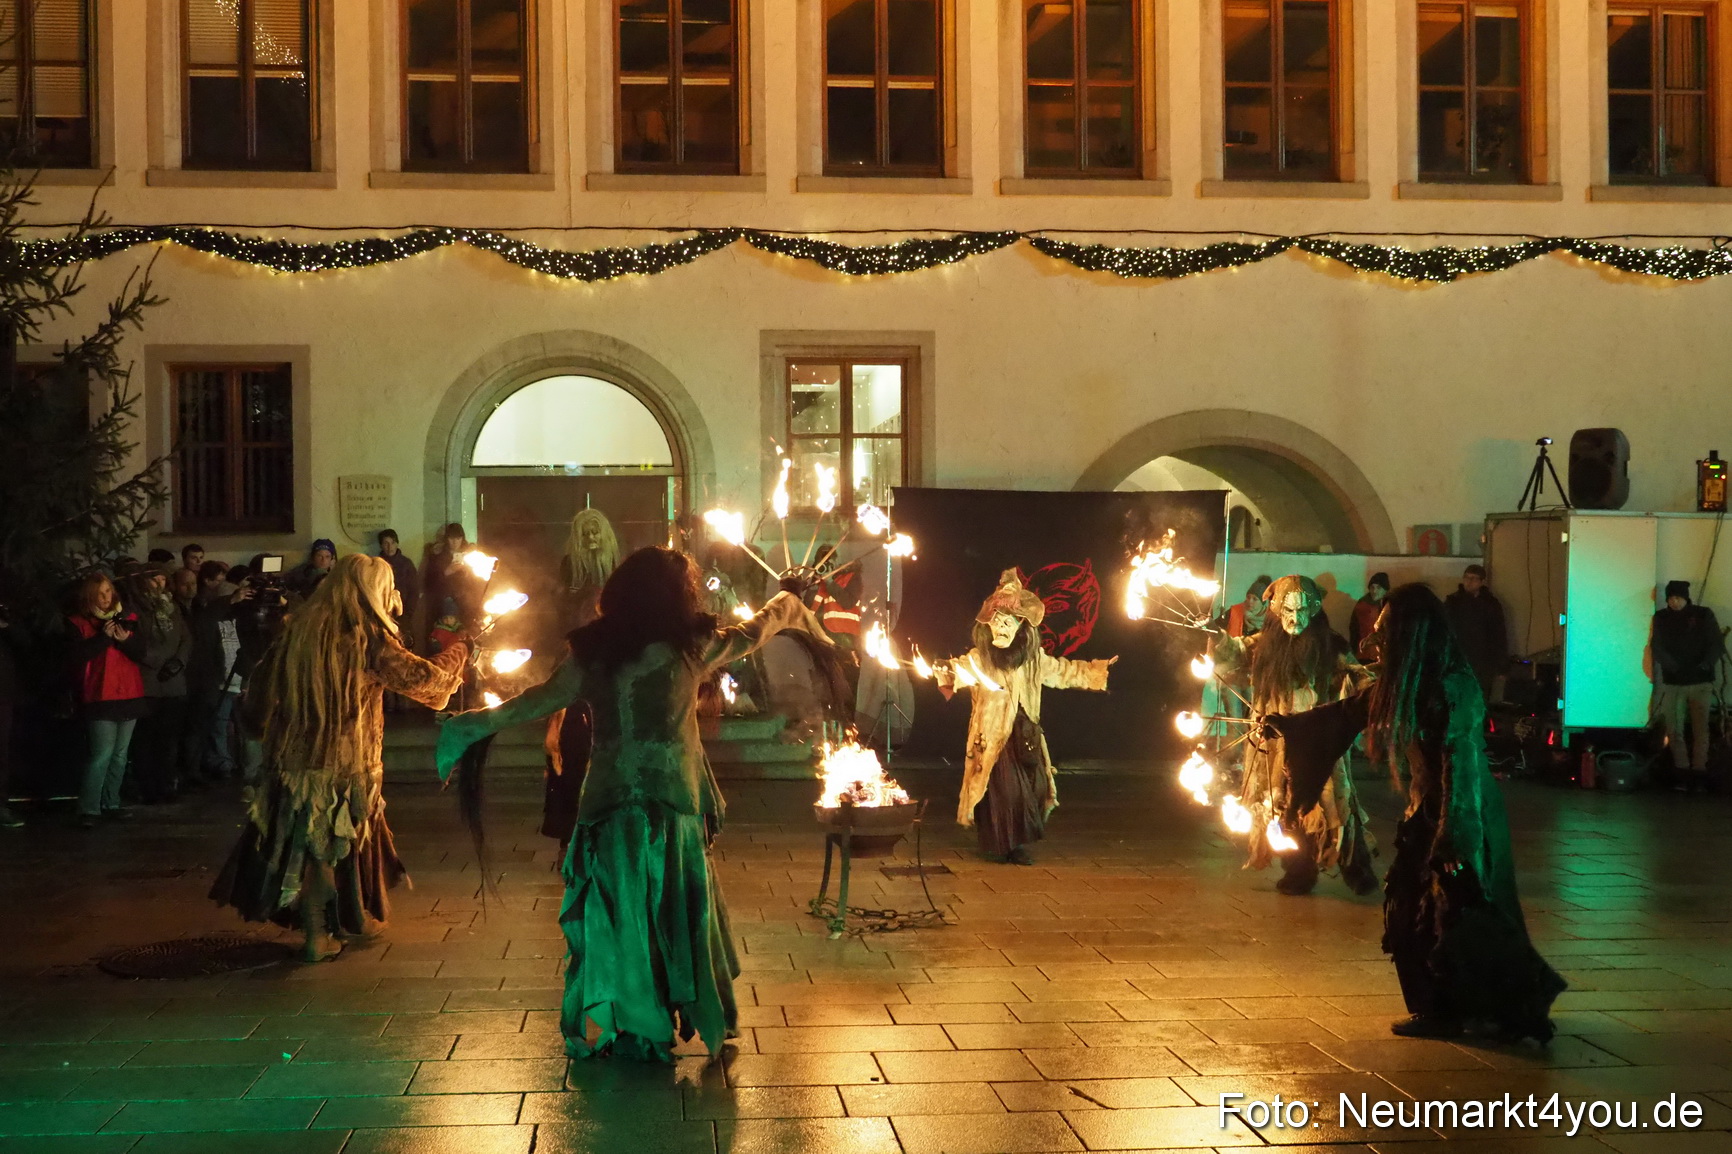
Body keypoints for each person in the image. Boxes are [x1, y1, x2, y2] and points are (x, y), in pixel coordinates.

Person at [435, 547, 821, 1063]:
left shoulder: (594, 652)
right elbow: (758, 629)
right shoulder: (693, 646)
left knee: (625, 915)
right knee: (677, 908)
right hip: (672, 801)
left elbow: (536, 701)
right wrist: (788, 600)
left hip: (612, 802)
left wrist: (469, 726)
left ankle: (641, 1023)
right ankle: (675, 1010)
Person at [1267, 584, 1565, 1042]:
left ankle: (1474, 1009)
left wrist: (1455, 834)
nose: (1373, 642)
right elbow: (1349, 712)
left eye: (1384, 632)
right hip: (1429, 811)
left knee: (1456, 913)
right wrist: (1291, 725)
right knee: (1416, 908)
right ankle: (1446, 1007)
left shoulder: (1452, 685)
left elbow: (1460, 763)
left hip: (1462, 813)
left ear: (1411, 634)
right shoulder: (1407, 679)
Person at [212, 555, 471, 962]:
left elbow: (258, 696)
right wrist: (460, 651)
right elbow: (428, 684)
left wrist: (257, 727)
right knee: (323, 850)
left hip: (291, 764)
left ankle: (352, 917)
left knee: (333, 845)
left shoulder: (296, 631)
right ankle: (317, 935)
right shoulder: (367, 639)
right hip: (342, 768)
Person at [935, 569, 1115, 866]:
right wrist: (946, 671)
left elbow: (1063, 671)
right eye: (996, 622)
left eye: (1008, 622)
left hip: (1025, 735)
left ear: (1021, 627)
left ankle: (1016, 842)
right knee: (1006, 791)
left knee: (1034, 788)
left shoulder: (1032, 660)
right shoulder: (980, 659)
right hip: (994, 741)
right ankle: (1005, 844)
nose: (1000, 627)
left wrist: (1095, 672)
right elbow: (959, 671)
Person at [1215, 574, 1376, 896]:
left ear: (1313, 610)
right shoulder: (1263, 645)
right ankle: (1298, 869)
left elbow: (1359, 674)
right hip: (1276, 739)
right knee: (1284, 802)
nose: (1295, 618)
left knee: (1333, 800)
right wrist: (1212, 635)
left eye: (1302, 611)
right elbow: (1232, 653)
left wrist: (1371, 690)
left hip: (1319, 736)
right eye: (1288, 611)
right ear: (1277, 611)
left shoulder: (1330, 645)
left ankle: (1355, 866)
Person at [67, 573, 148, 828]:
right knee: (101, 753)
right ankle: (89, 808)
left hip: (129, 693)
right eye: (100, 593)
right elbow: (75, 657)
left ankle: (111, 802)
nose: (105, 598)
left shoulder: (128, 618)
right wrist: (103, 637)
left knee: (120, 755)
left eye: (108, 592)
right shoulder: (78, 623)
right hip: (100, 695)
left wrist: (125, 641)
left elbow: (141, 653)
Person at [1650, 579, 1724, 792]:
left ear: (1685, 598)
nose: (1674, 602)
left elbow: (1715, 643)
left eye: (1678, 598)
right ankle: (1682, 772)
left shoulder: (1703, 615)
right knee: (1675, 729)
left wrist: (1705, 665)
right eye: (1671, 598)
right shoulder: (1662, 618)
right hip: (1676, 682)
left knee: (1700, 730)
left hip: (1699, 681)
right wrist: (1673, 667)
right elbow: (1657, 646)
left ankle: (1698, 772)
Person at [129, 565, 194, 803]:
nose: (159, 584)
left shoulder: (172, 606)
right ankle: (147, 787)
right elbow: (136, 642)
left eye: (162, 580)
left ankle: (166, 785)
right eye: (154, 580)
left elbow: (186, 637)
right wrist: (157, 661)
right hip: (148, 681)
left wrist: (179, 661)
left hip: (173, 682)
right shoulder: (136, 607)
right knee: (146, 740)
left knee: (169, 739)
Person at [1444, 564, 1508, 703]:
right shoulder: (1453, 602)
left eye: (1473, 578)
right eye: (1466, 578)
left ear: (1482, 582)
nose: (1469, 582)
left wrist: (1501, 667)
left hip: (1482, 663)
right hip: (1458, 662)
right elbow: (1445, 632)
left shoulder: (1490, 604)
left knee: (1478, 701)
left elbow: (1498, 636)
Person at [0, 602, 23, 828]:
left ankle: (1, 806)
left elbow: (26, 645)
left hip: (3, 694)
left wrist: (7, 625)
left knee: (2, 753)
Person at [376, 530, 419, 640]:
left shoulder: (406, 564)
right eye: (386, 543)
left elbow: (414, 590)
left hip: (403, 613)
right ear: (381, 545)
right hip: (382, 612)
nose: (390, 547)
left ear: (397, 544)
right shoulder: (376, 565)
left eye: (393, 542)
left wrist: (408, 612)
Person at [1350, 572, 1389, 662]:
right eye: (1372, 587)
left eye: (1378, 587)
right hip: (1363, 653)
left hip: (1383, 655)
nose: (1374, 591)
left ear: (1385, 590)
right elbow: (1354, 629)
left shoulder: (1390, 606)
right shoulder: (1362, 606)